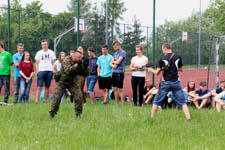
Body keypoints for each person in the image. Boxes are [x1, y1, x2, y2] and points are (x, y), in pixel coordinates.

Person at [147, 43, 191, 120]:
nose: (163, 52)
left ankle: (151, 119)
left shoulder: (162, 58)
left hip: (165, 83)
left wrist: (150, 69)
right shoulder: (178, 56)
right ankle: (189, 119)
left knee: (156, 101)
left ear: (165, 48)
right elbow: (181, 69)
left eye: (163, 50)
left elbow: (157, 73)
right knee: (183, 102)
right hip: (176, 82)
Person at [49, 51, 84, 118]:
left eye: (81, 57)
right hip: (62, 81)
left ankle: (78, 115)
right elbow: (68, 70)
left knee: (79, 96)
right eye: (79, 57)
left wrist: (85, 66)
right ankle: (52, 114)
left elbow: (84, 73)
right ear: (74, 57)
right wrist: (77, 65)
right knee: (57, 98)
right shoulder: (66, 59)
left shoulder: (79, 62)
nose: (80, 58)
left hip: (72, 82)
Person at [110, 40, 126, 107]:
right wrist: (113, 65)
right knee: (115, 89)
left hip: (119, 73)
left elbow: (118, 62)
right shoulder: (115, 53)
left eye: (116, 47)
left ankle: (122, 104)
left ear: (119, 45)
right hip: (114, 73)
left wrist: (114, 63)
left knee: (120, 90)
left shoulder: (123, 52)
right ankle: (116, 103)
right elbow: (111, 63)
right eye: (114, 47)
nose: (115, 48)